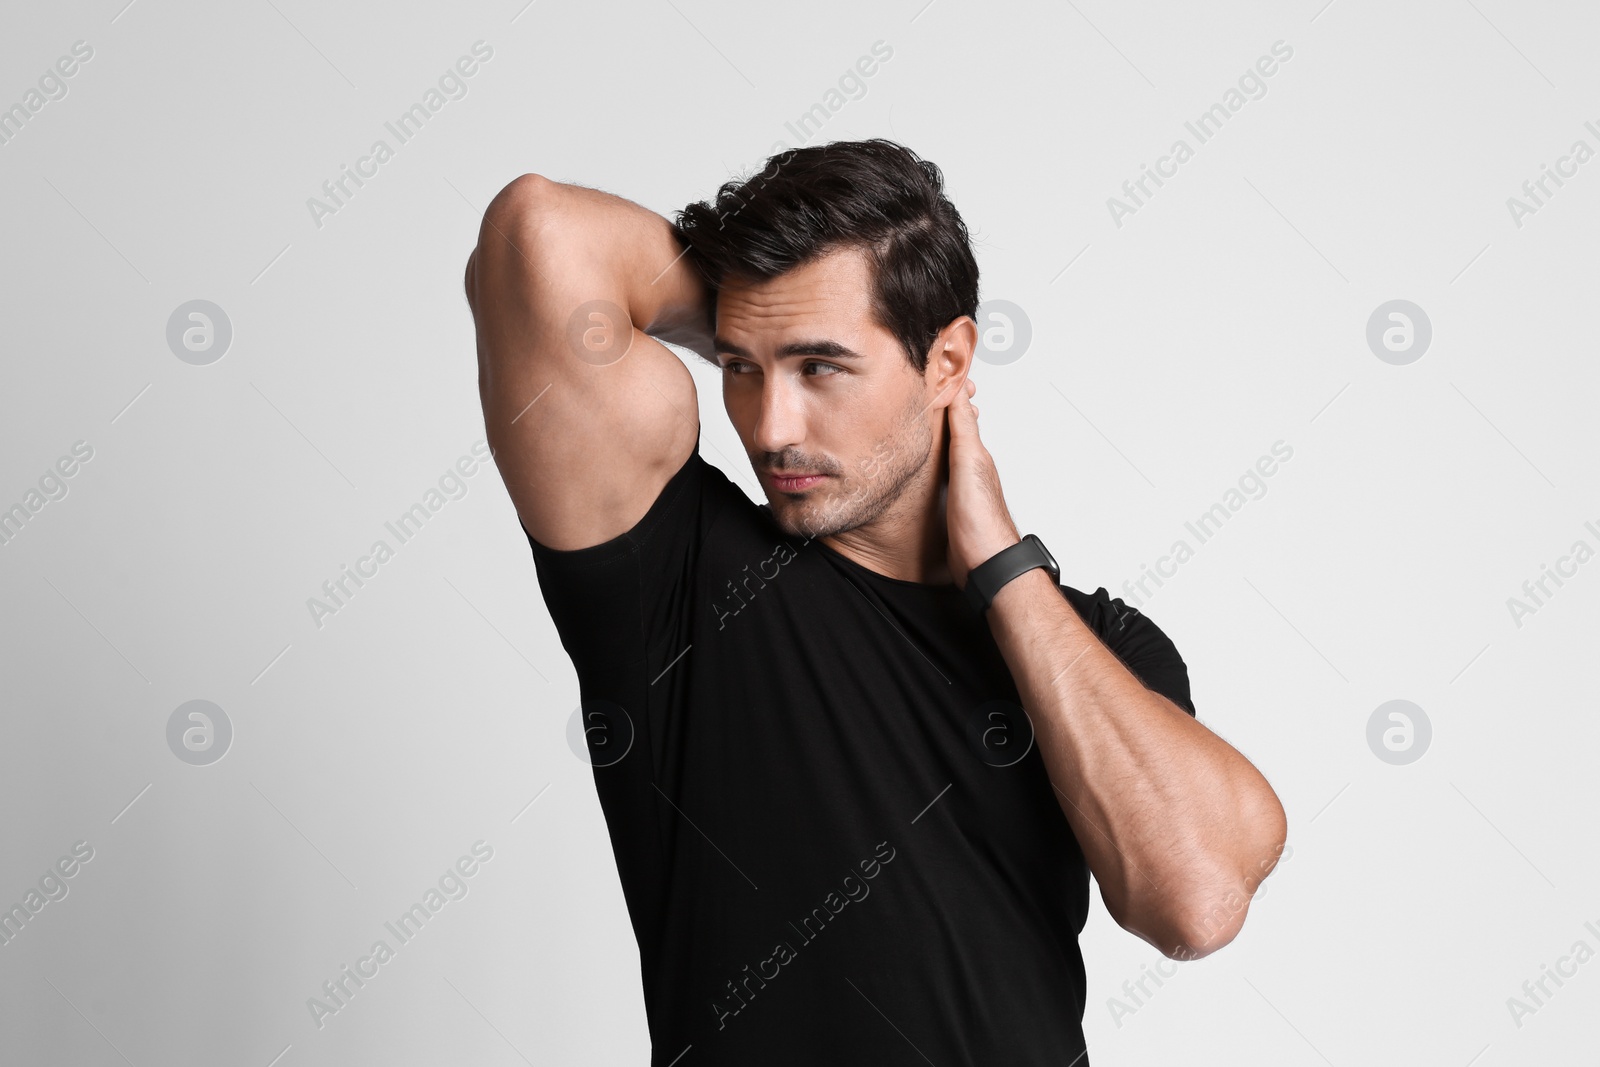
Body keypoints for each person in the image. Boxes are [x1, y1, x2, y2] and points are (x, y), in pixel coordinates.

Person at [463, 138, 1287, 1066]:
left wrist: (1007, 572)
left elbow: (1197, 900)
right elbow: (539, 234)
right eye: (741, 368)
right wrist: (768, 318)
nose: (770, 429)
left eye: (821, 367)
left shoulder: (1093, 643)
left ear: (948, 362)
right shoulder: (684, 579)